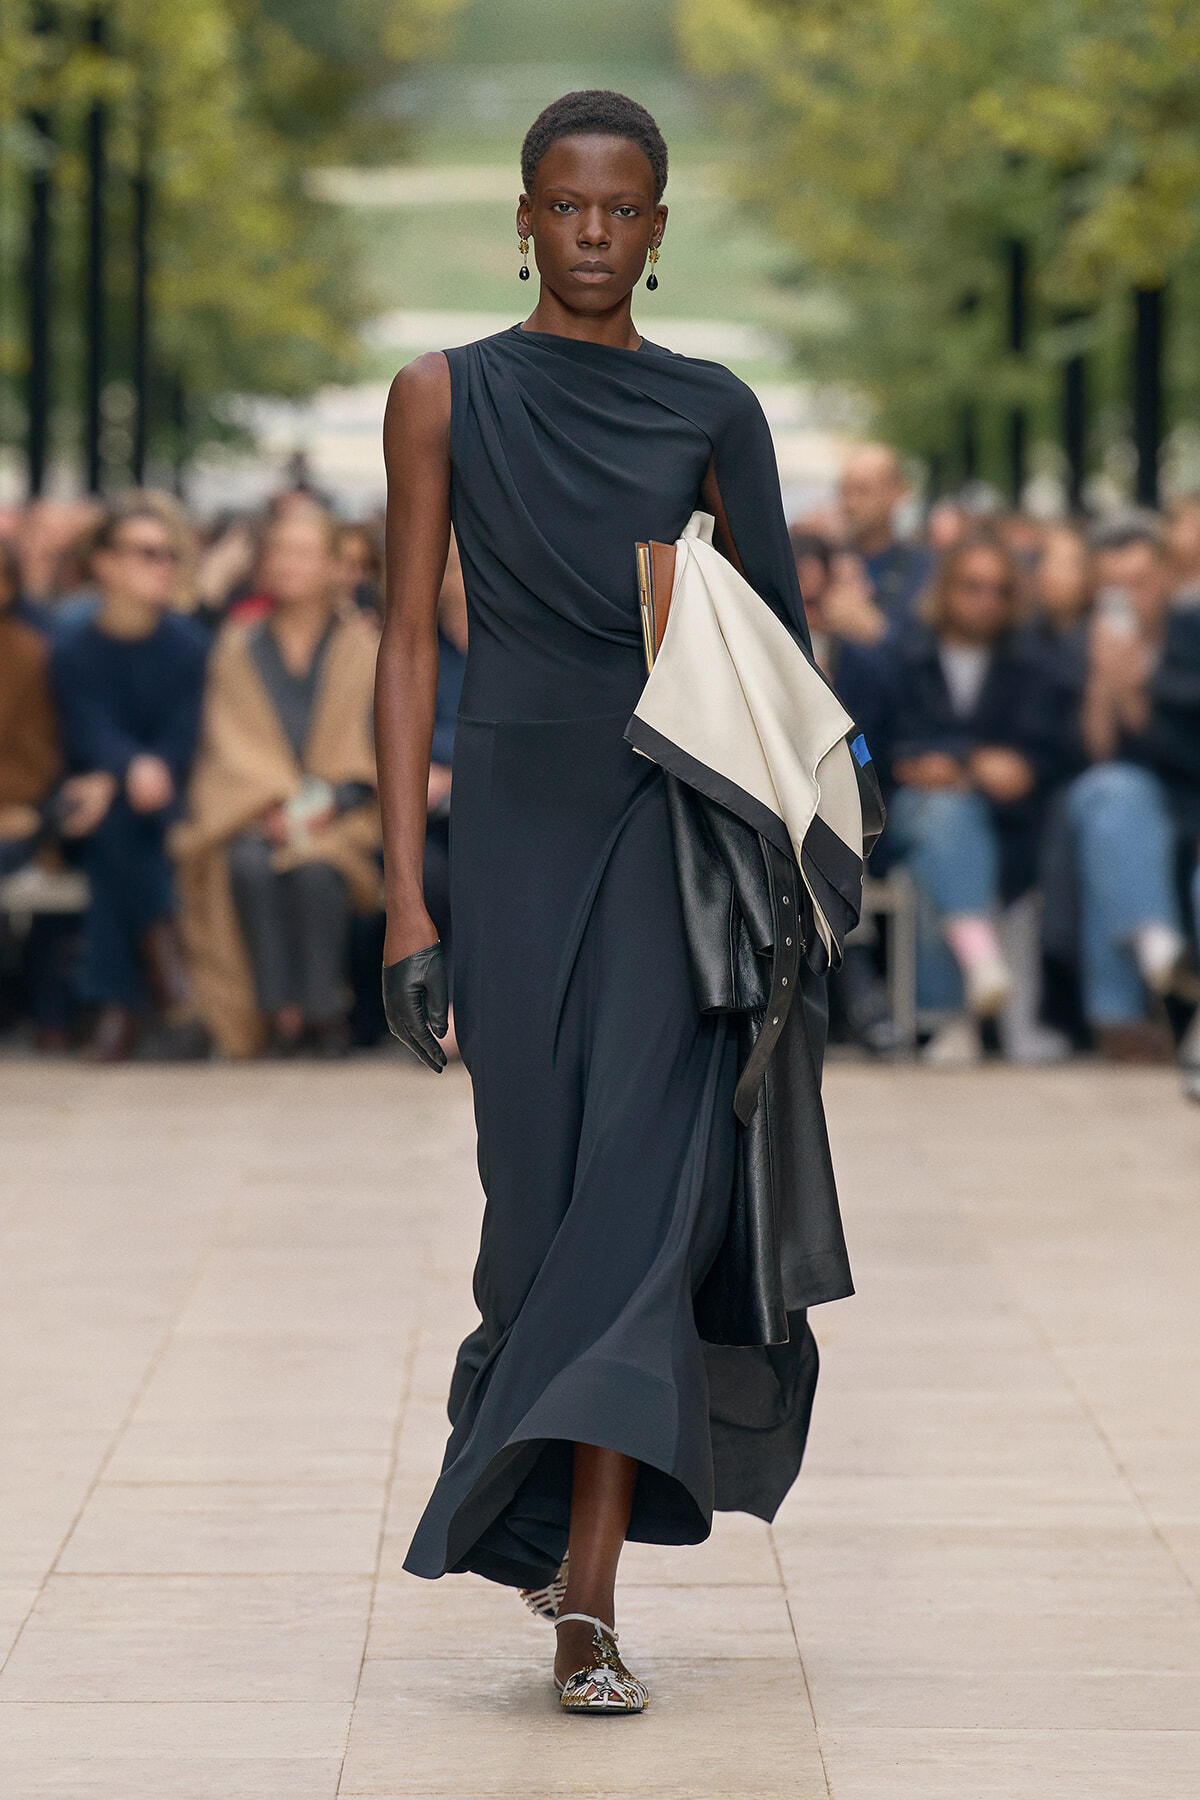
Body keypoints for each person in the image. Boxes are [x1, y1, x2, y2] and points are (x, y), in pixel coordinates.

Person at [373, 90, 852, 1714]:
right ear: (524, 216)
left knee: (645, 1206)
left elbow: (780, 644)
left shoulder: (715, 407)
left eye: (622, 207)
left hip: (669, 827)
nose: (592, 232)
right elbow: (407, 648)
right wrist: (402, 903)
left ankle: (588, 1600)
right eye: (566, 205)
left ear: (659, 227)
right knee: (537, 1208)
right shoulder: (439, 395)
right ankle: (534, 1498)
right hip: (510, 827)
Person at [173, 504, 380, 1058]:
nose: (286, 564)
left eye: (303, 552)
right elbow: (228, 742)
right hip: (250, 811)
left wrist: (331, 800)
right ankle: (275, 1014)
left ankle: (323, 1011)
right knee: (246, 864)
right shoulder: (238, 644)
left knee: (316, 868)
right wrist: (272, 803)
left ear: (338, 565)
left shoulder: (366, 647)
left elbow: (373, 747)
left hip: (347, 812)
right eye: (277, 551)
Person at [877, 534, 1068, 1064]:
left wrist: (964, 766)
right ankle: (975, 973)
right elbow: (887, 742)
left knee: (946, 839)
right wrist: (972, 763)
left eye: (1001, 589)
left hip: (1007, 825)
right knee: (941, 815)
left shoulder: (1032, 663)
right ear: (945, 588)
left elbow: (1039, 757)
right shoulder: (906, 654)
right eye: (973, 586)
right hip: (910, 810)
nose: (986, 599)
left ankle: (951, 1015)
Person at [48, 494, 209, 1061]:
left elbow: (183, 737)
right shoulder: (73, 650)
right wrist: (126, 772)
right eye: (145, 553)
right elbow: (86, 733)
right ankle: (169, 983)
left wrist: (142, 771)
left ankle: (119, 1006)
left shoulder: (188, 645)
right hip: (83, 814)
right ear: (105, 565)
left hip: (169, 802)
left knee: (124, 824)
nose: (162, 566)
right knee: (115, 820)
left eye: (169, 554)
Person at [1066, 515, 1200, 1062]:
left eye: (1140, 582)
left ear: (1168, 575)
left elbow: (1182, 751)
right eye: (1113, 586)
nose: (1130, 598)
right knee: (1112, 798)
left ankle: (1125, 1009)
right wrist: (1105, 686)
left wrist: (1137, 688)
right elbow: (1094, 755)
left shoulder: (1190, 635)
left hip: (1188, 794)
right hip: (1130, 802)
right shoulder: (1083, 641)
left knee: (1114, 835)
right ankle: (1155, 945)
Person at [837, 442, 933, 633]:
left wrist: (875, 629)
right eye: (844, 490)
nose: (849, 503)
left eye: (862, 490)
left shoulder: (926, 571)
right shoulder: (824, 562)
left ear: (897, 492)